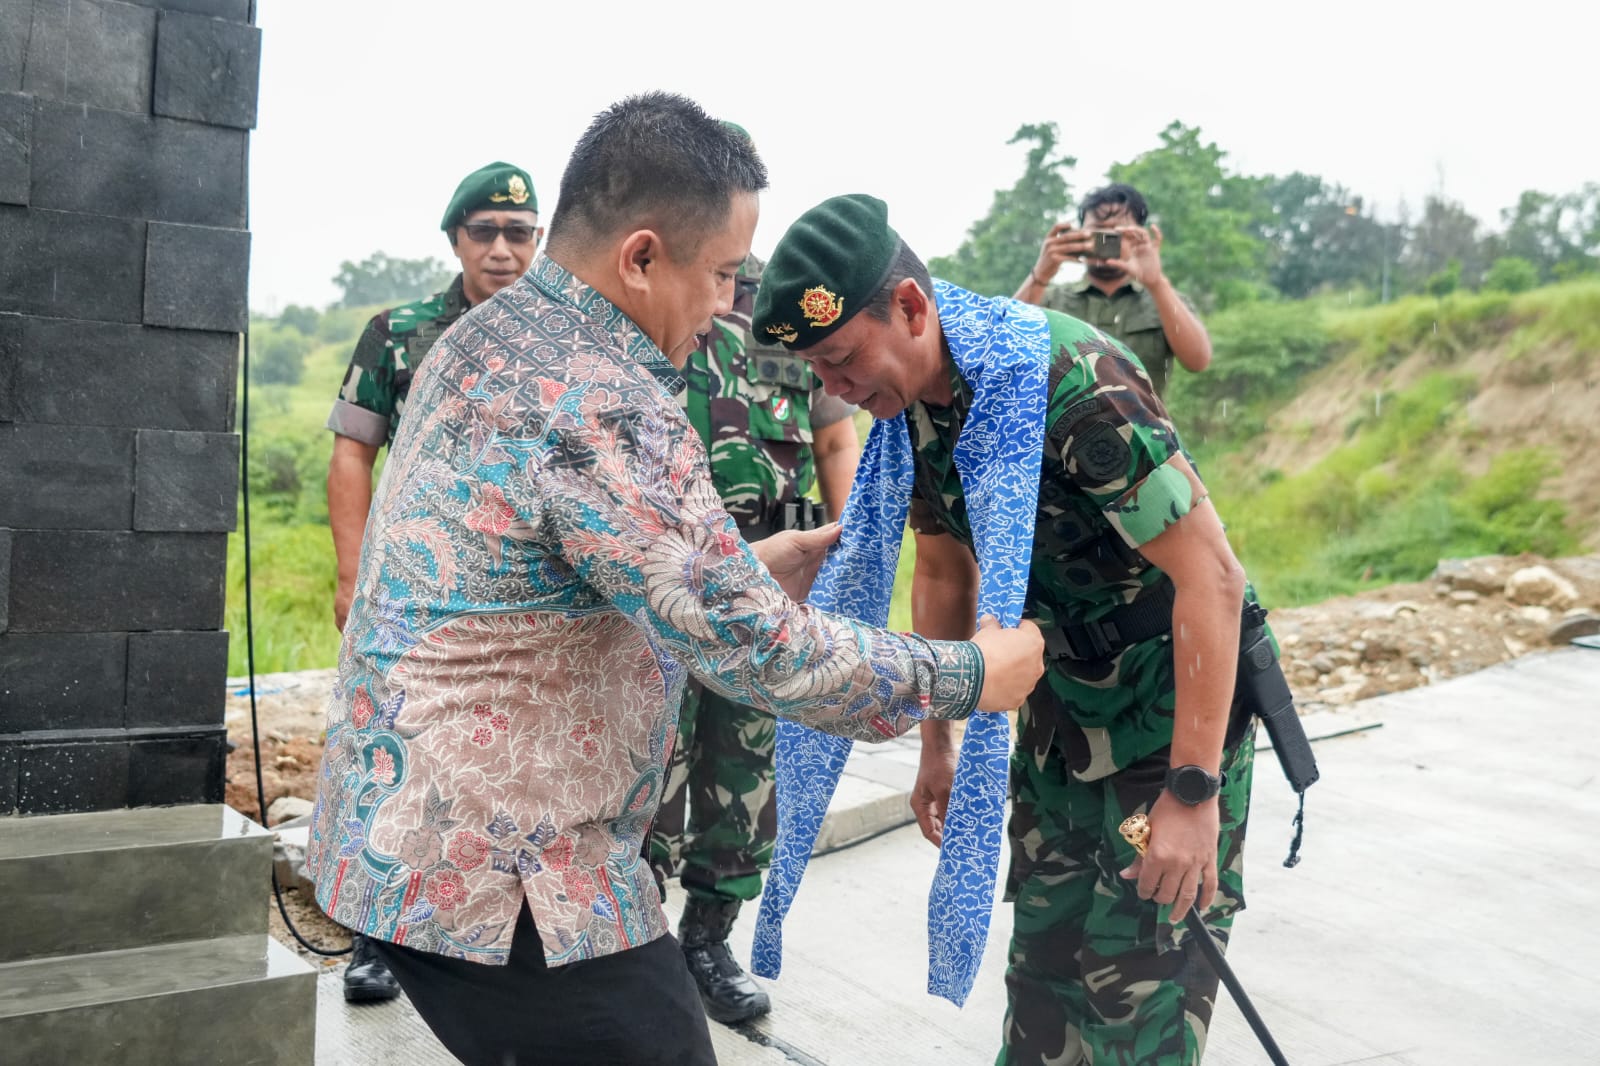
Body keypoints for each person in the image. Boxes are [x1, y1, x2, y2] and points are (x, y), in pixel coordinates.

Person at [304, 95, 1044, 1066]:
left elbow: (547, 580)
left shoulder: (490, 340)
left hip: (401, 838)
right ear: (642, 257)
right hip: (509, 874)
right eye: (727, 273)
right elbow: (763, 652)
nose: (731, 306)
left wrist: (742, 567)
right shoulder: (604, 400)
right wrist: (970, 673)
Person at [753, 193, 1261, 1065]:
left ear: (911, 307)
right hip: (1056, 717)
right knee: (1043, 986)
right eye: (818, 373)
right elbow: (947, 569)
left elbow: (1212, 579)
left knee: (1139, 993)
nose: (834, 391)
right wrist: (936, 743)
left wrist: (1190, 792)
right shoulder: (909, 408)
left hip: (1160, 718)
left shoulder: (1068, 384)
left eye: (841, 360)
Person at [322, 160, 542, 1003]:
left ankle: (479, 934)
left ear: (539, 244)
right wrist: (353, 574)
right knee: (389, 763)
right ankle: (374, 941)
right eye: (483, 232)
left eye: (518, 234)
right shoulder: (400, 332)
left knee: (492, 772)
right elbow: (352, 451)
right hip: (412, 597)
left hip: (511, 607)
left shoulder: (550, 342)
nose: (500, 249)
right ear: (455, 239)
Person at [647, 253, 860, 1024]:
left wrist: (849, 552)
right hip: (663, 595)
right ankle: (632, 949)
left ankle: (707, 941)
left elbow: (835, 441)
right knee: (645, 772)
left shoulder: (784, 315)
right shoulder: (652, 302)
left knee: (744, 772)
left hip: (770, 594)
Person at [1013, 183, 1211, 397]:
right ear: (1080, 236)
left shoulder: (1164, 302)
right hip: (1062, 430)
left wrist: (1157, 283)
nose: (1106, 241)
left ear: (1138, 237)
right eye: (1097, 232)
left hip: (1144, 429)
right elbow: (1003, 346)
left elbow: (1197, 361)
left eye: (1117, 233)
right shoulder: (1050, 300)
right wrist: (1040, 275)